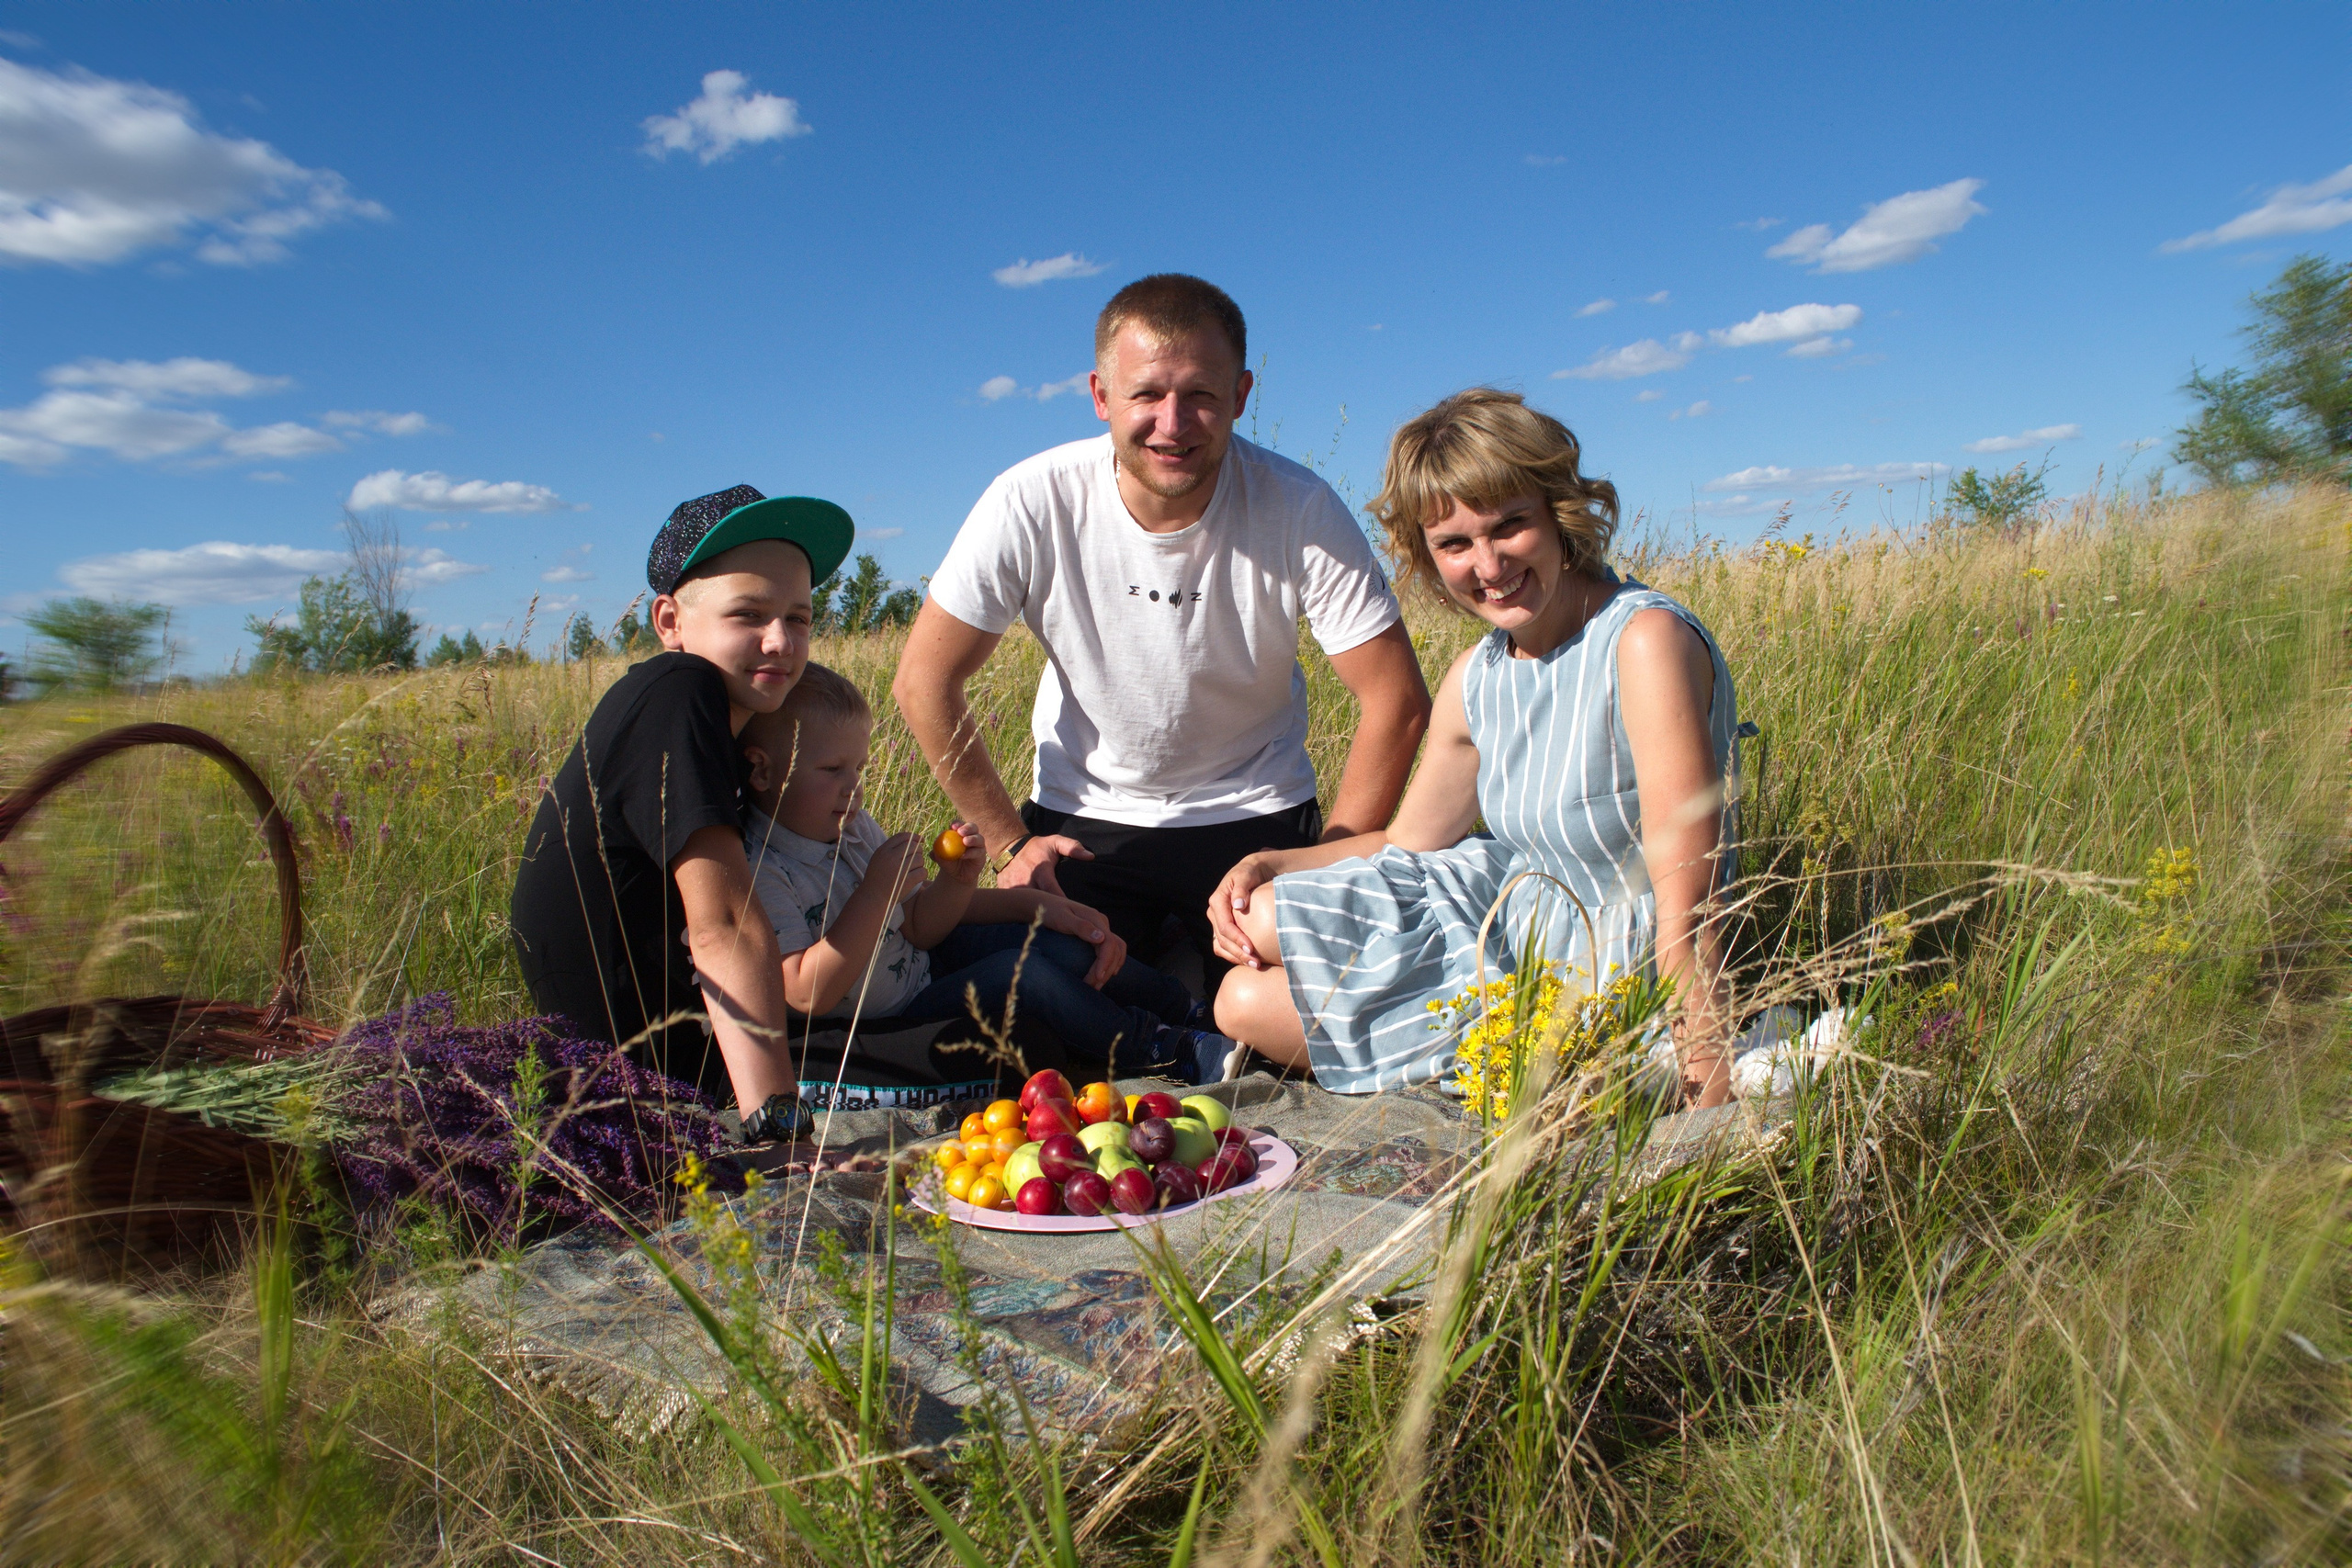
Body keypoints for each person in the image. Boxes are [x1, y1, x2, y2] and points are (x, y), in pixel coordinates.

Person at [893, 273, 1433, 1021]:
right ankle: (1172, 956)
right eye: (1146, 393)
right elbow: (923, 681)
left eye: (1201, 396)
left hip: (1257, 810)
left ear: (1241, 395)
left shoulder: (1298, 505)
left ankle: (1184, 960)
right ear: (1100, 395)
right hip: (1085, 820)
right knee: (1045, 998)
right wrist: (1013, 843)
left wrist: (1324, 865)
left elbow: (1397, 700)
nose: (1172, 424)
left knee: (1296, 1008)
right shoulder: (1031, 498)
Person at [1207, 389, 1742, 1106]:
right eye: (1454, 543)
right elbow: (1406, 842)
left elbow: (1690, 905)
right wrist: (1267, 862)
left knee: (1253, 996)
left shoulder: (1643, 642)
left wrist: (1708, 1091)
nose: (1488, 565)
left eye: (1509, 525)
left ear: (1558, 512)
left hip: (1618, 961)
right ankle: (1457, 1045)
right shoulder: (1478, 675)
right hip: (1512, 926)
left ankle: (1502, 1059)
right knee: (1247, 960)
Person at [510, 484, 854, 1144]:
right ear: (670, 622)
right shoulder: (678, 691)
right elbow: (722, 925)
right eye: (748, 614)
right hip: (652, 1082)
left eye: (800, 618)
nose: (780, 641)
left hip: (682, 1052)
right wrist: (778, 1128)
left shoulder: (717, 724)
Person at [740, 663, 1237, 1088]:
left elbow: (919, 927)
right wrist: (875, 894)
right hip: (890, 1017)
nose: (853, 787)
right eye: (832, 770)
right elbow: (804, 992)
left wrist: (955, 883)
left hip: (922, 967)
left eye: (859, 769)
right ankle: (1154, 1047)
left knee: (1062, 944)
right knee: (1024, 975)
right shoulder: (762, 868)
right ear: (762, 772)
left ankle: (1183, 1008)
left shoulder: (853, 828)